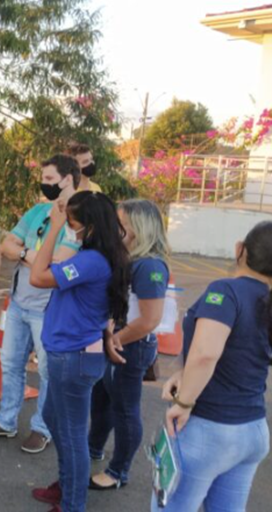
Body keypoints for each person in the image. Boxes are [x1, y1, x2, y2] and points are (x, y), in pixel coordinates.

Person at [154, 221, 272, 512]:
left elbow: (206, 353)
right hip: (252, 429)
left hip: (210, 428)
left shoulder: (226, 290)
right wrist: (184, 373)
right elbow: (243, 352)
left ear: (239, 250)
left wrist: (184, 402)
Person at [0, 155, 81, 454]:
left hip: (50, 310)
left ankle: (42, 429)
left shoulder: (79, 218)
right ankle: (5, 422)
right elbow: (8, 246)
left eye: (48, 180)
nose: (44, 185)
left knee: (47, 372)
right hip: (19, 303)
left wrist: (25, 252)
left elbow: (60, 265)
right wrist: (32, 256)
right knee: (10, 364)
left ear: (67, 179)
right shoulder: (37, 211)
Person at [29, 191, 131, 512]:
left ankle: (73, 503)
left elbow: (37, 276)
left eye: (73, 223)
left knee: (72, 437)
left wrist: (55, 227)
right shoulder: (100, 256)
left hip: (73, 358)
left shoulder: (91, 260)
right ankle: (69, 483)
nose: (69, 228)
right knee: (51, 417)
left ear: (90, 226)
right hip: (73, 353)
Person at [87, 199, 169, 490]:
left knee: (124, 409)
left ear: (138, 226)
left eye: (121, 224)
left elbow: (149, 320)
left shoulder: (149, 266)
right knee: (102, 401)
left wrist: (115, 341)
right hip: (116, 340)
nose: (116, 229)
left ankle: (118, 472)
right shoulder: (130, 259)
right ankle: (93, 448)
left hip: (129, 345)